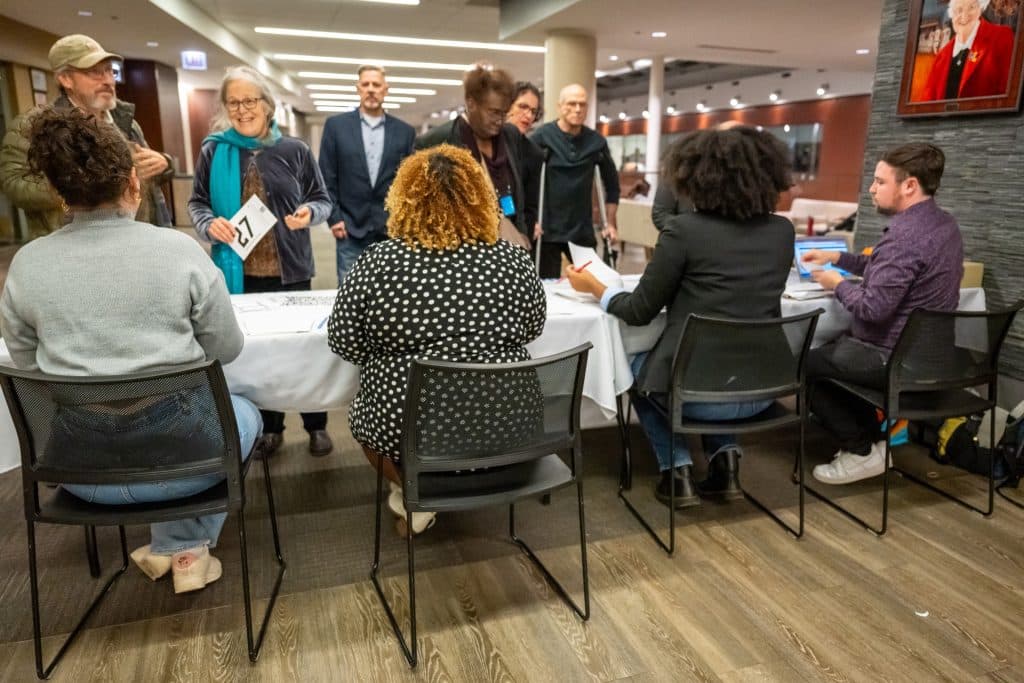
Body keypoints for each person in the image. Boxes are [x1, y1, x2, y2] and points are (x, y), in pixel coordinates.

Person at [0, 107, 261, 594]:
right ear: (134, 185)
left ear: (59, 197)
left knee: (195, 421)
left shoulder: (26, 265)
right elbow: (226, 347)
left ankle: (177, 546)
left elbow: (28, 364)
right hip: (187, 466)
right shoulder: (179, 252)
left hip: (78, 471)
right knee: (245, 413)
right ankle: (185, 546)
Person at [566, 128, 795, 508]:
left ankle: (678, 473)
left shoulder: (683, 231)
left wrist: (596, 287)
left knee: (632, 368)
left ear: (696, 177)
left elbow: (639, 311)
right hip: (762, 389)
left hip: (698, 396)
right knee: (718, 364)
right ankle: (726, 468)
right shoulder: (781, 231)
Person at [327, 144, 546, 535]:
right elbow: (533, 328)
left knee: (364, 414)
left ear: (403, 201)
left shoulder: (379, 262)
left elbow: (345, 343)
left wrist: (388, 350)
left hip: (409, 431)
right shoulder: (513, 260)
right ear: (482, 201)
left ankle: (415, 491)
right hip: (509, 427)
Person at [189, 66, 334, 459]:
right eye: (233, 102)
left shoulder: (295, 150)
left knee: (302, 349)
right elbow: (197, 203)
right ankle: (269, 428)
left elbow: (322, 199)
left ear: (267, 105)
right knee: (257, 355)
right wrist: (208, 224)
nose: (242, 109)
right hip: (240, 273)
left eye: (249, 100)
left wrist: (309, 213)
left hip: (292, 270)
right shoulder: (213, 149)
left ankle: (316, 425)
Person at [802, 143, 963, 485]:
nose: (872, 189)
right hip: (932, 356)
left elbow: (872, 308)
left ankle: (860, 450)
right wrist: (839, 260)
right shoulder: (943, 223)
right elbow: (886, 266)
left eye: (879, 181)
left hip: (892, 357)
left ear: (909, 185)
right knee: (832, 352)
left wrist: (835, 283)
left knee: (804, 363)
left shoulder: (905, 236)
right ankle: (876, 445)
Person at [0, 34, 173, 240]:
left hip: (137, 238)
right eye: (95, 73)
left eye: (110, 71)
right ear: (66, 79)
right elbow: (13, 184)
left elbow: (145, 177)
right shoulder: (34, 125)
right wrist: (76, 186)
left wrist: (164, 164)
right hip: (74, 245)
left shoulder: (126, 122)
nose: (108, 81)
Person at [415, 65, 541, 248]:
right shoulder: (437, 141)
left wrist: (523, 234)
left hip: (509, 247)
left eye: (504, 113)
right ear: (471, 103)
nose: (499, 120)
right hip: (460, 251)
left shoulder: (510, 136)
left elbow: (519, 198)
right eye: (493, 112)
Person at [318, 65, 416, 284]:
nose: (371, 89)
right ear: (358, 88)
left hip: (391, 229)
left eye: (376, 85)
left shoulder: (404, 132)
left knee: (391, 292)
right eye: (365, 84)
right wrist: (334, 218)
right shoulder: (336, 127)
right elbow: (327, 176)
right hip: (349, 228)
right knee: (351, 292)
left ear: (386, 90)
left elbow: (410, 183)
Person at [530, 84, 620, 279]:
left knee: (591, 286)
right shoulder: (541, 138)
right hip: (547, 231)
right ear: (560, 106)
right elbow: (526, 181)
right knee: (546, 287)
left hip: (581, 230)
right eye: (572, 104)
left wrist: (610, 224)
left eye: (582, 104)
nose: (578, 109)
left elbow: (612, 185)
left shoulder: (596, 142)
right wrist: (531, 219)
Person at [920, 0, 1014, 101]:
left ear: (980, 10)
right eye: (959, 10)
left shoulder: (1001, 37)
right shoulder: (941, 57)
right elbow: (926, 104)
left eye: (971, 8)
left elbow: (1008, 94)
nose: (964, 16)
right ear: (952, 15)